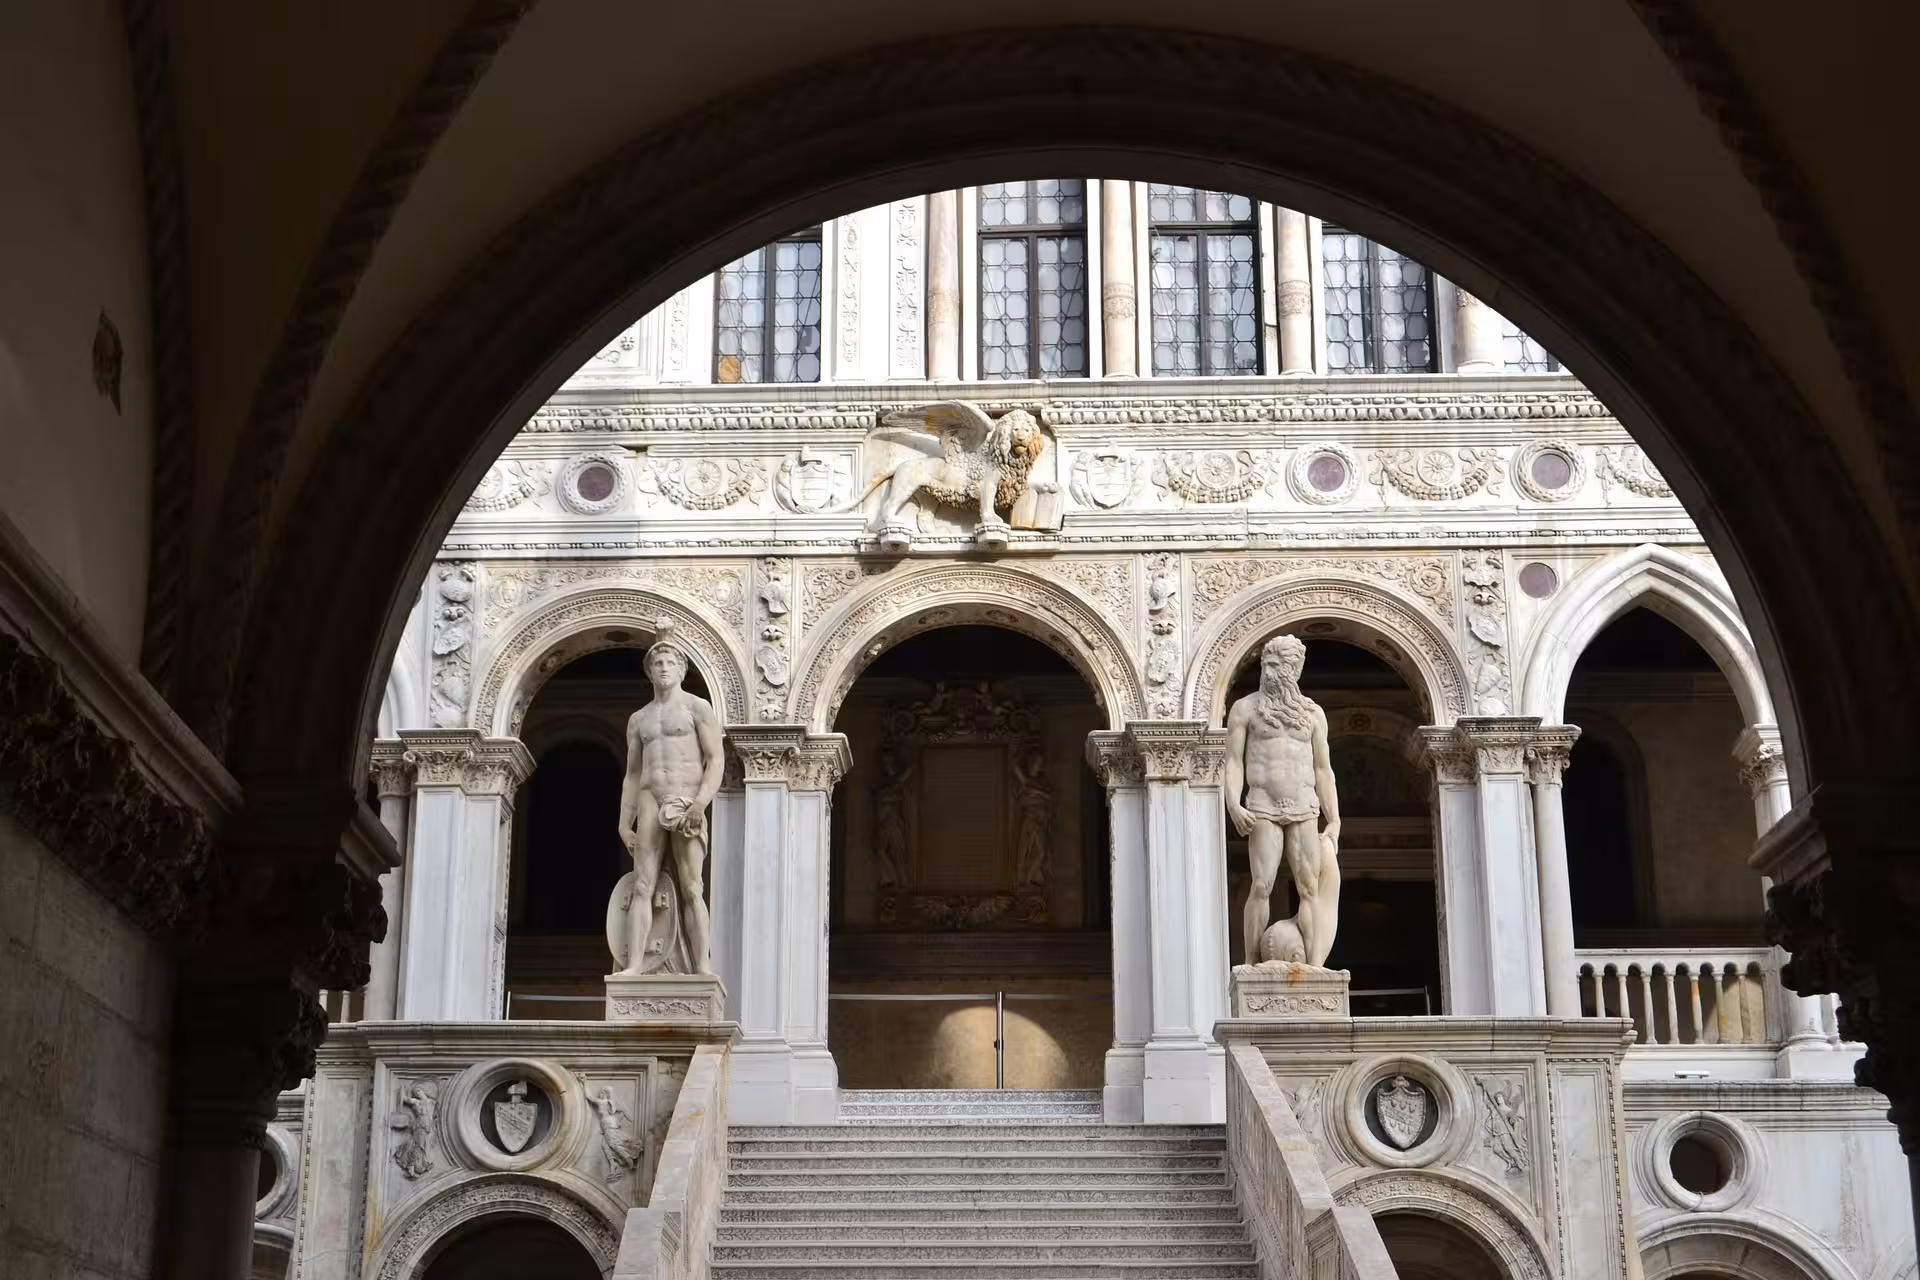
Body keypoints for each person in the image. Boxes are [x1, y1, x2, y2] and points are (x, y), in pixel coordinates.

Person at [1224, 634, 1342, 967]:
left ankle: (1316, 967)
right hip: (1262, 805)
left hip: (1305, 806)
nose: (1270, 672)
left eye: (1278, 666)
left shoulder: (1313, 714)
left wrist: (1333, 818)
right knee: (1261, 885)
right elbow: (1233, 761)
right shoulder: (1245, 708)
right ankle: (1249, 963)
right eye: (1267, 664)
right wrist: (1234, 803)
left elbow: (1323, 768)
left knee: (1309, 888)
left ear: (1295, 670)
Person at [613, 623, 723, 976]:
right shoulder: (639, 719)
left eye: (669, 663)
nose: (663, 668)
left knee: (693, 887)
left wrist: (700, 804)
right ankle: (634, 965)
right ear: (649, 671)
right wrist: (622, 823)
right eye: (657, 663)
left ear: (680, 669)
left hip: (686, 799)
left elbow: (715, 760)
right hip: (649, 800)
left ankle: (703, 966)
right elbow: (632, 774)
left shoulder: (697, 707)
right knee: (643, 884)